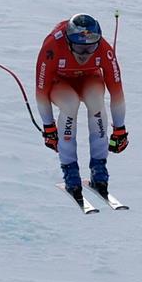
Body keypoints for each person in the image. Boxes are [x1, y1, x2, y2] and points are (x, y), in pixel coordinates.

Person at [34, 14, 128, 205]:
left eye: (90, 47)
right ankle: (70, 170)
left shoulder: (104, 49)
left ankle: (99, 169)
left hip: (89, 78)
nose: (84, 54)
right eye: (79, 47)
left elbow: (117, 92)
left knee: (97, 104)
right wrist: (49, 127)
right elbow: (41, 91)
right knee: (70, 104)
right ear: (68, 42)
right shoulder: (53, 47)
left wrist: (120, 129)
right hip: (60, 82)